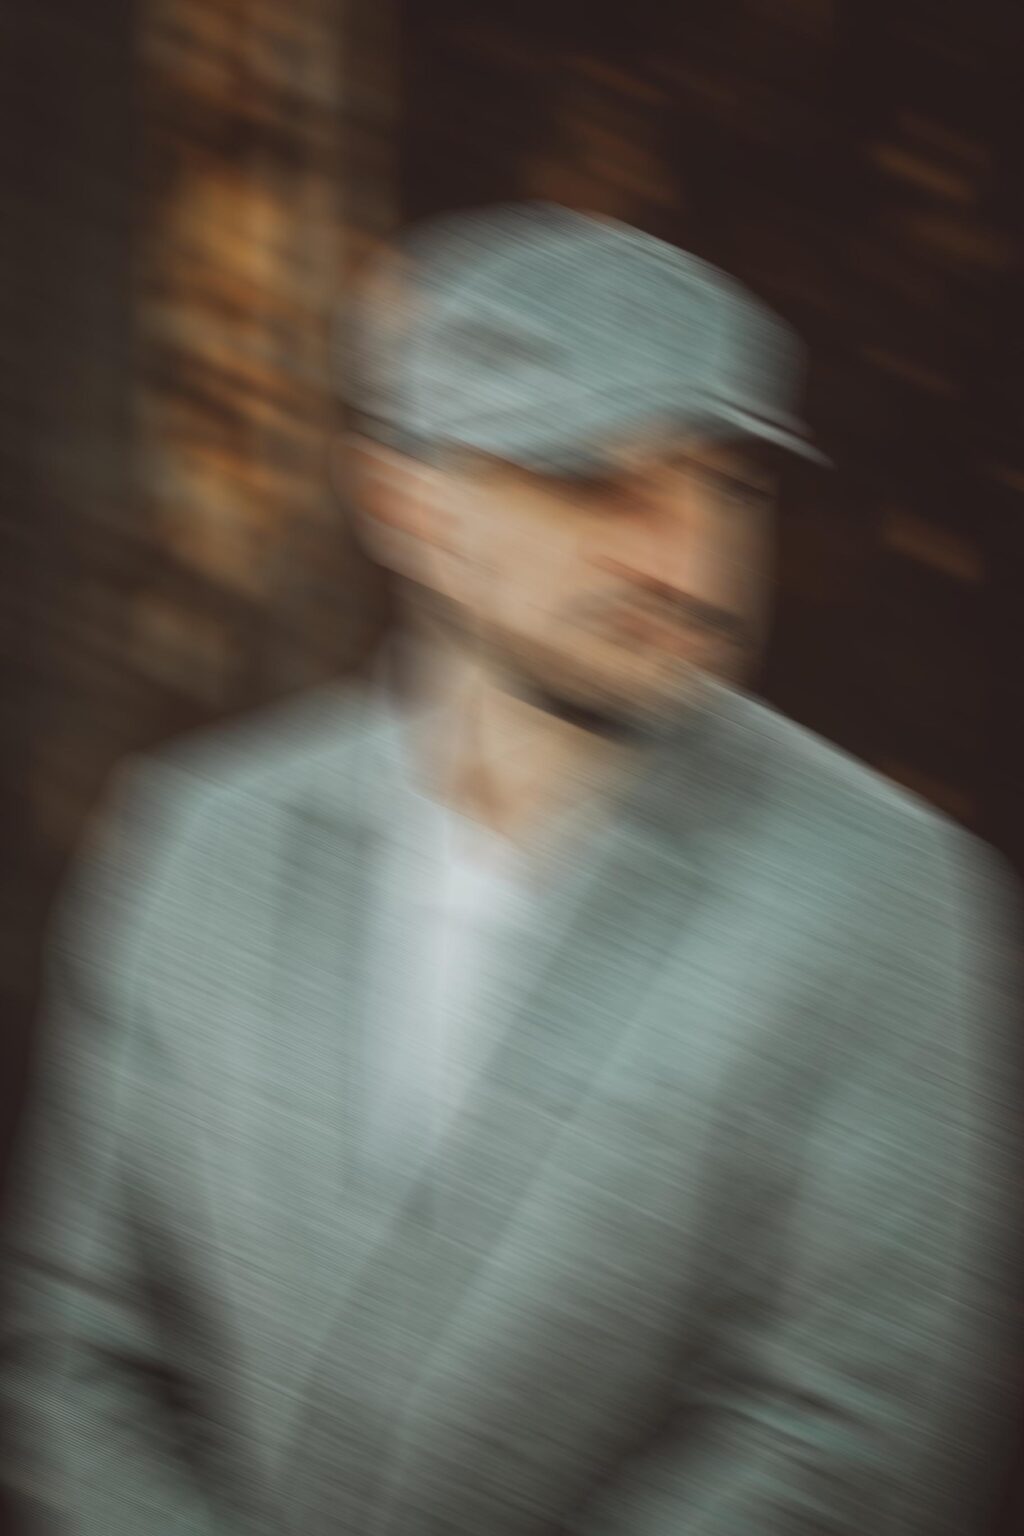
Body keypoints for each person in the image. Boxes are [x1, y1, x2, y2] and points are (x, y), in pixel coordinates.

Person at [1, 201, 1020, 1536]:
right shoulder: (204, 837)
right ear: (407, 501)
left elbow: (850, 1435)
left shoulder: (883, 891)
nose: (688, 559)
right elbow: (77, 1345)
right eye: (594, 481)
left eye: (726, 483)